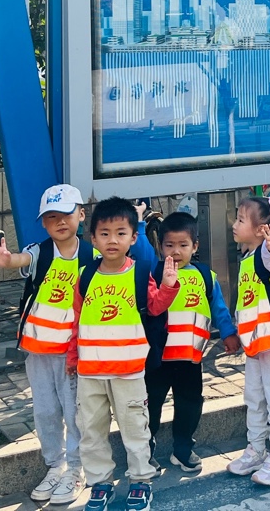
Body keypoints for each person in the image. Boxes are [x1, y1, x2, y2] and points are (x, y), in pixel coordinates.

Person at [0, 184, 90, 505]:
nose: (60, 222)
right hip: (38, 350)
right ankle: (55, 466)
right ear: (44, 223)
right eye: (51, 217)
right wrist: (6, 260)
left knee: (74, 412)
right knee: (45, 411)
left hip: (73, 354)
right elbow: (19, 259)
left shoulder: (93, 256)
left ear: (81, 214)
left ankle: (76, 469)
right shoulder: (40, 252)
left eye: (66, 214)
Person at [68, 198, 168, 511]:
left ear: (133, 237)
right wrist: (73, 357)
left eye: (121, 233)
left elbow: (155, 306)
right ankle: (100, 484)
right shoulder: (85, 276)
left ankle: (140, 481)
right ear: (93, 238)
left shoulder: (139, 274)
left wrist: (168, 287)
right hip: (90, 372)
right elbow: (76, 320)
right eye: (105, 233)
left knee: (135, 429)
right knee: (91, 431)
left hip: (129, 372)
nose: (113, 240)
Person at [141, 211, 239, 477]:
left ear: (195, 246)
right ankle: (144, 451)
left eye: (183, 244)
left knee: (190, 404)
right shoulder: (154, 273)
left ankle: (183, 448)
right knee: (151, 405)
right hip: (158, 359)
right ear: (160, 246)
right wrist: (139, 225)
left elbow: (219, 309)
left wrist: (228, 333)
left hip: (190, 359)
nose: (176, 251)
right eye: (169, 245)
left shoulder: (206, 276)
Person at [224, 197, 270, 488]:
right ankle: (256, 450)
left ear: (261, 229)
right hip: (255, 344)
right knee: (253, 398)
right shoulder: (247, 258)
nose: (234, 224)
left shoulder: (267, 255)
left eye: (241, 219)